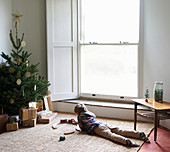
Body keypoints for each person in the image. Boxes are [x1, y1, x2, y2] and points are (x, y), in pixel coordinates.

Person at [74, 103, 150, 147]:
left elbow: (82, 128)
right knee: (121, 130)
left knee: (111, 135)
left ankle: (126, 141)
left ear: (77, 112)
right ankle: (140, 134)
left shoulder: (80, 117)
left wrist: (78, 125)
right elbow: (88, 121)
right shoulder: (88, 114)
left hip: (98, 128)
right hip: (102, 123)